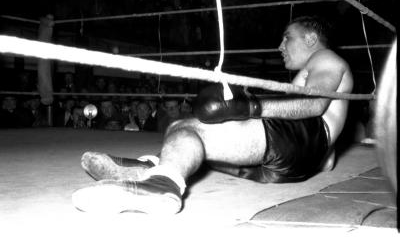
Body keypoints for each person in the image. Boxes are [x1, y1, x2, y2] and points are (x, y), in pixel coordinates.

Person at [72, 16, 353, 215]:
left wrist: (251, 107)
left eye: (287, 37)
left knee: (188, 128)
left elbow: (315, 105)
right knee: (198, 144)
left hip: (301, 139)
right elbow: (326, 155)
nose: (280, 45)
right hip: (293, 160)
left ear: (311, 38)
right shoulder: (323, 71)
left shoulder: (325, 58)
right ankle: (152, 167)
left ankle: (160, 186)